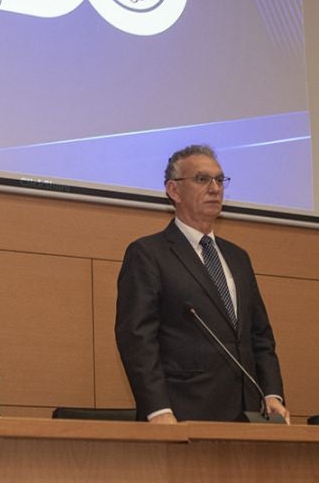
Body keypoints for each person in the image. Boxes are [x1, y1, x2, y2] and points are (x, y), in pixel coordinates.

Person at [115, 144, 288, 423]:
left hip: (249, 416)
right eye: (202, 179)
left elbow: (260, 336)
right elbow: (138, 340)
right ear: (173, 190)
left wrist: (272, 394)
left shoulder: (238, 258)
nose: (215, 188)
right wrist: (157, 410)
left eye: (220, 180)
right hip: (183, 414)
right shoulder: (149, 254)